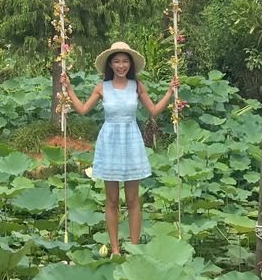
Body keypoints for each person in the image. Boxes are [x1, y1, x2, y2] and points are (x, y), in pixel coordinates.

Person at [60, 41, 177, 255]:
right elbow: (83, 109)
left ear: (130, 64)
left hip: (132, 141)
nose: (121, 65)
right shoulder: (101, 87)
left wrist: (170, 91)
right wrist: (68, 88)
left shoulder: (137, 86)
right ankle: (115, 250)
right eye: (117, 62)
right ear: (110, 65)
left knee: (133, 200)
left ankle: (133, 247)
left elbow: (153, 110)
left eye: (125, 61)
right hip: (109, 142)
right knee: (112, 200)